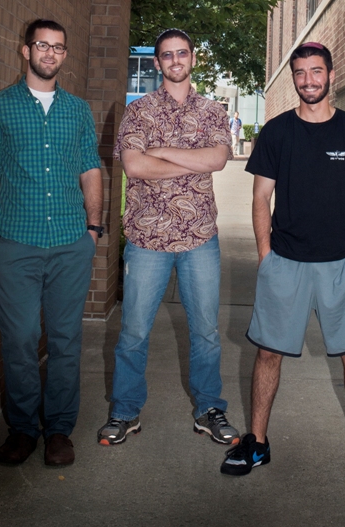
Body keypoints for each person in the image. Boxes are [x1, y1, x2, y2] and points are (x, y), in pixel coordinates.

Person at [221, 42, 345, 482]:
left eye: (316, 72)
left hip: (341, 262)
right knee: (268, 353)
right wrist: (265, 256)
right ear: (294, 77)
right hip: (286, 261)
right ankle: (256, 442)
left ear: (330, 75)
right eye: (300, 73)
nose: (309, 80)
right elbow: (261, 196)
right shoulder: (277, 132)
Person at [98, 28, 240, 448]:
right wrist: (192, 164)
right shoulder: (138, 112)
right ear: (157, 63)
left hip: (199, 237)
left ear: (193, 58)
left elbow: (218, 158)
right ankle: (124, 412)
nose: (175, 60)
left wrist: (160, 152)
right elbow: (134, 168)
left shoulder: (213, 111)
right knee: (134, 332)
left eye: (182, 53)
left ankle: (209, 409)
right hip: (147, 239)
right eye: (166, 55)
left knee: (206, 332)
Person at [0, 19, 103, 468]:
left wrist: (92, 231)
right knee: (18, 339)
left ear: (64, 55)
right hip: (15, 244)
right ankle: (21, 430)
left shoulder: (77, 109)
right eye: (42, 45)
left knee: (66, 340)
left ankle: (57, 430)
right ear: (25, 51)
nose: (49, 53)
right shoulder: (3, 105)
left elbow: (90, 169)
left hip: (71, 243)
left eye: (58, 47)